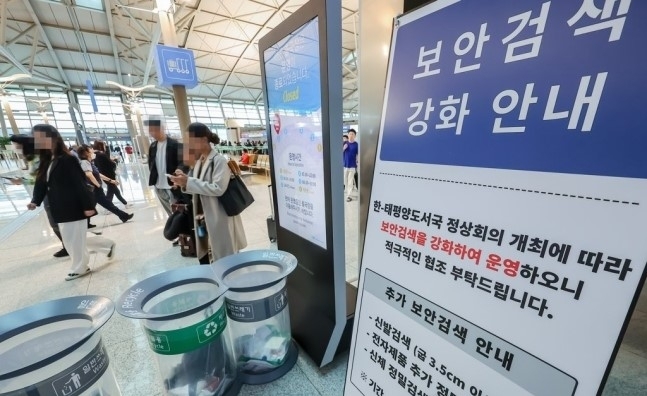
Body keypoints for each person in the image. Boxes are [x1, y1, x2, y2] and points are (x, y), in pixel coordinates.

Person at [28, 124, 116, 281]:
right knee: (73, 237)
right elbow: (41, 182)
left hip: (73, 205)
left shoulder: (68, 159)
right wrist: (35, 200)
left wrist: (88, 207)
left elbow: (79, 183)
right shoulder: (47, 160)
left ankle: (80, 267)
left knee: (71, 239)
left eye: (39, 138)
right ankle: (107, 244)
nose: (36, 141)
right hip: (59, 206)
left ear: (52, 138)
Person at [170, 122, 247, 264]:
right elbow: (195, 182)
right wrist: (183, 181)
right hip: (204, 214)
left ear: (204, 140)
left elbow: (218, 188)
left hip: (219, 214)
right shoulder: (200, 160)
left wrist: (188, 182)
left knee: (226, 256)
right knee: (210, 250)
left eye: (191, 142)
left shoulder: (219, 161)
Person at [10, 134, 68, 257]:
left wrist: (22, 181)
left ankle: (72, 246)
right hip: (48, 193)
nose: (14, 147)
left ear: (23, 144)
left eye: (15, 144)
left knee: (57, 223)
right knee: (58, 223)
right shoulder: (33, 157)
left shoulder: (38, 157)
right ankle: (68, 246)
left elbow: (40, 179)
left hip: (52, 193)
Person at [77, 145, 133, 224]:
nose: (92, 151)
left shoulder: (89, 162)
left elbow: (98, 174)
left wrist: (111, 181)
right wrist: (98, 186)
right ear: (85, 153)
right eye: (90, 150)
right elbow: (89, 174)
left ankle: (85, 223)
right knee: (107, 204)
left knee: (93, 206)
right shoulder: (84, 162)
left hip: (94, 189)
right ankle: (123, 216)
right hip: (94, 189)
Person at [145, 117, 184, 216]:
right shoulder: (153, 146)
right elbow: (151, 164)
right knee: (169, 213)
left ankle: (181, 230)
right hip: (158, 185)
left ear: (163, 128)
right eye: (151, 131)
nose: (153, 133)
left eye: (155, 130)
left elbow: (183, 162)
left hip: (172, 185)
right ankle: (174, 229)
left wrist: (179, 171)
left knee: (178, 213)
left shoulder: (176, 145)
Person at [93, 141, 128, 207]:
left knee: (114, 190)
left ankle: (125, 203)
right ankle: (108, 206)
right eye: (104, 145)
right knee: (111, 191)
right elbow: (111, 164)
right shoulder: (101, 155)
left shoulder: (95, 155)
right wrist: (115, 161)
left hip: (103, 174)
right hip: (108, 174)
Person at [343, 128, 359, 202]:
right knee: (345, 180)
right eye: (350, 134)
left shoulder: (356, 145)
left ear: (355, 136)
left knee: (350, 181)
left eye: (353, 134)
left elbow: (358, 154)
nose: (351, 135)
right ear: (348, 135)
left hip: (352, 166)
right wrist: (343, 148)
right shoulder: (345, 143)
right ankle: (347, 192)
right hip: (345, 165)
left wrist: (357, 161)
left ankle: (349, 195)